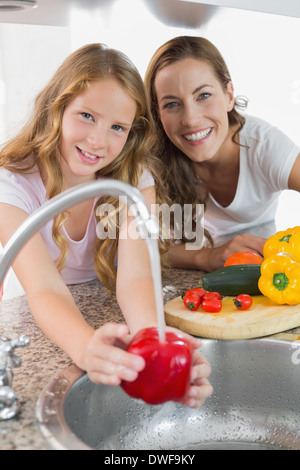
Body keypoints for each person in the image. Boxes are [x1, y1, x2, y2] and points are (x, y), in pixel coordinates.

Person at [0, 43, 212, 408]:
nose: (98, 141)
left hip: (104, 303)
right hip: (42, 321)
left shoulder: (132, 176)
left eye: (117, 127)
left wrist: (153, 345)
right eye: (86, 116)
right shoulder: (13, 183)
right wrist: (86, 348)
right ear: (58, 107)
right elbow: (44, 288)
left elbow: (136, 276)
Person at [144, 36, 300, 272]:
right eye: (172, 104)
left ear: (228, 96)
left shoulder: (263, 145)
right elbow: (141, 244)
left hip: (262, 269)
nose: (191, 119)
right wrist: (206, 257)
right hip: (193, 273)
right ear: (158, 111)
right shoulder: (153, 159)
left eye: (203, 95)